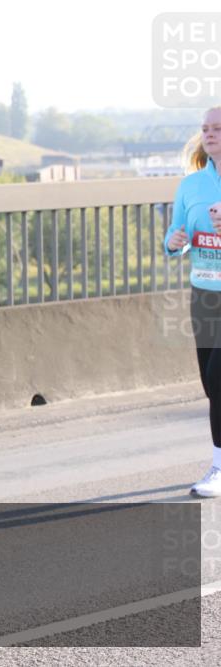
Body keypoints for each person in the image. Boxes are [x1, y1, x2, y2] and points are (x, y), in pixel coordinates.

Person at [164, 105, 221, 498]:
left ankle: (219, 466)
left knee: (219, 377)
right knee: (210, 384)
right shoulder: (191, 185)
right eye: (205, 128)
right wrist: (174, 242)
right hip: (204, 294)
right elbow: (175, 233)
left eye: (217, 127)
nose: (209, 133)